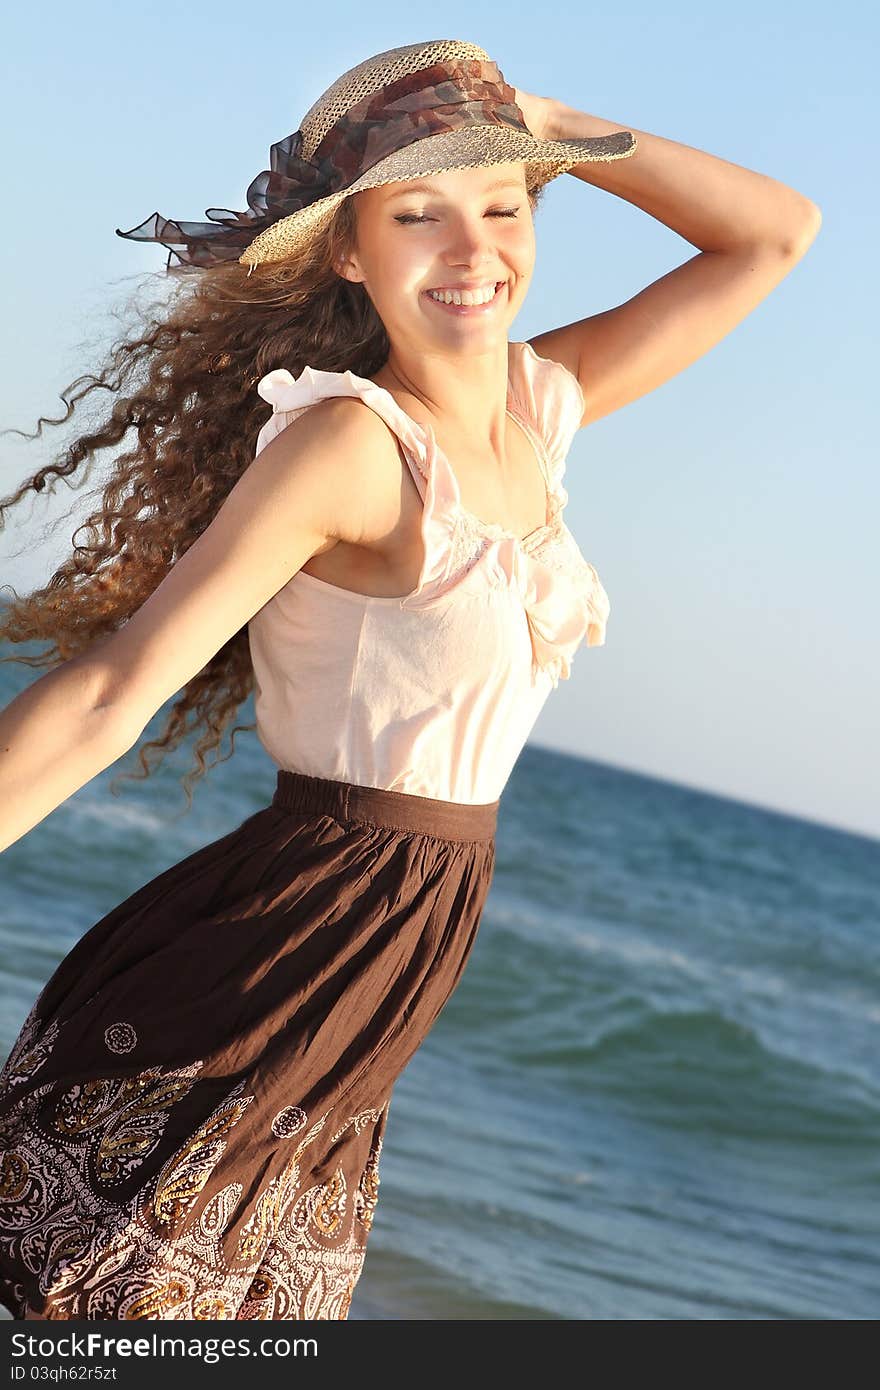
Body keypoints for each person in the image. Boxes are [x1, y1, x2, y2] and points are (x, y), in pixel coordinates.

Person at [0, 37, 819, 1321]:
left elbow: (774, 234)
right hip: (280, 942)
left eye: (502, 204)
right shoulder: (350, 446)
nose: (472, 248)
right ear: (348, 250)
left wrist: (545, 124)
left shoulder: (542, 410)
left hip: (381, 971)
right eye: (418, 213)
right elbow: (119, 687)